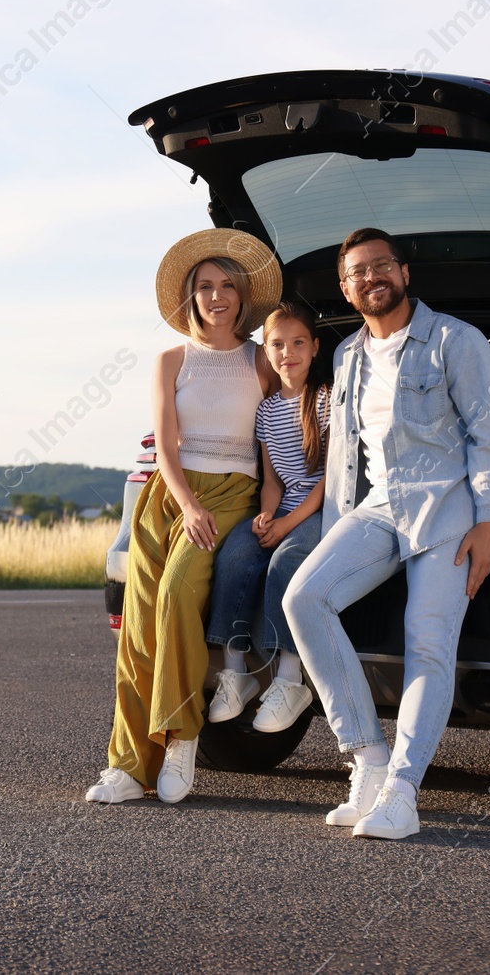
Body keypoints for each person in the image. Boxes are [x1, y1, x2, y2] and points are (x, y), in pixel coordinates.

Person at [284, 227, 490, 839]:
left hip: (446, 511)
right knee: (303, 598)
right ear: (345, 288)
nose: (370, 278)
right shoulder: (346, 356)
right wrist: (335, 533)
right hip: (379, 510)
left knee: (428, 643)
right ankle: (367, 756)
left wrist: (489, 521)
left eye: (380, 266)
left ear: (405, 273)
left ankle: (404, 794)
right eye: (357, 273)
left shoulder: (455, 343)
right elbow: (345, 460)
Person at [85, 229, 279, 805]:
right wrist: (187, 505)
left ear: (243, 296)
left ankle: (182, 739)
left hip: (232, 492)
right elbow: (166, 446)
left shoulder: (261, 360)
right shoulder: (171, 359)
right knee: (139, 628)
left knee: (175, 595)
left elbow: (272, 443)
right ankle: (126, 765)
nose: (216, 296)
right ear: (190, 297)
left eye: (226, 286)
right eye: (204, 287)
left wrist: (268, 509)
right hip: (168, 497)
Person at [205, 301, 330, 733]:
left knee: (285, 562)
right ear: (266, 350)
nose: (288, 352)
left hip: (320, 508)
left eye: (298, 343)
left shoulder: (327, 400)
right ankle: (235, 669)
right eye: (277, 344)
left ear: (314, 347)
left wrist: (286, 525)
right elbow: (272, 476)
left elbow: (329, 481)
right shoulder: (267, 410)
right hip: (284, 507)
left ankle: (290, 678)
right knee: (237, 555)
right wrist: (265, 515)